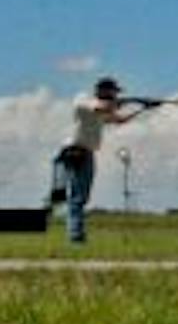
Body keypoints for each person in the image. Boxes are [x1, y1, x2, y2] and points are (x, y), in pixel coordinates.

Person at [52, 77, 149, 244]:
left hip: (87, 153)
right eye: (113, 91)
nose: (115, 94)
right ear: (104, 91)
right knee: (77, 197)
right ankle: (75, 237)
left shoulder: (103, 110)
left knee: (81, 196)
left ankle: (76, 233)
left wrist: (142, 109)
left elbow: (120, 120)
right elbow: (102, 107)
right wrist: (126, 102)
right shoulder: (85, 102)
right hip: (75, 152)